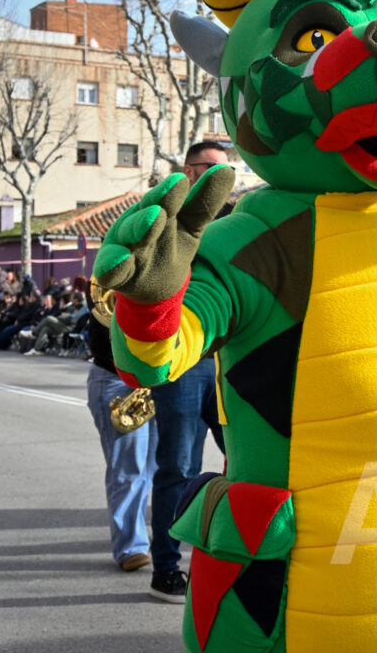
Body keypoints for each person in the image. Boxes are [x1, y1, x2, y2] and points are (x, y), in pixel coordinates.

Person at [146, 140, 229, 602]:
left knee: (244, 465)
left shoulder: (236, 218)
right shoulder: (166, 220)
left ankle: (224, 558)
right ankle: (165, 567)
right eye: (211, 168)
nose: (221, 177)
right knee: (177, 466)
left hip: (231, 361)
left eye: (226, 169)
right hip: (185, 362)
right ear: (189, 171)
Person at [85, 288, 158, 572]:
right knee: (129, 469)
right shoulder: (107, 275)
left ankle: (132, 532)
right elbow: (104, 333)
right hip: (117, 378)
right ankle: (130, 546)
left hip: (152, 379)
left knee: (150, 467)